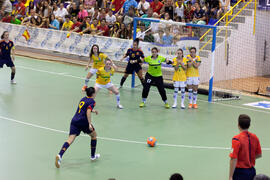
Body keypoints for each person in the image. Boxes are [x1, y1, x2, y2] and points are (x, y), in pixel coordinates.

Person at [55, 87, 100, 168]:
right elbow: (88, 111)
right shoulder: (92, 101)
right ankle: (93, 156)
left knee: (70, 140)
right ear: (93, 94)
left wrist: (94, 111)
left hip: (74, 121)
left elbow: (83, 108)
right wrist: (89, 124)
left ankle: (60, 155)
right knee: (94, 136)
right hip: (83, 122)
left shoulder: (83, 99)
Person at [229, 114, 262, 180]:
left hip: (240, 173)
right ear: (249, 125)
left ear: (238, 125)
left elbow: (233, 158)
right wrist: (248, 158)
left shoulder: (236, 139)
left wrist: (230, 177)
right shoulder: (255, 137)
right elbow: (259, 154)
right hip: (252, 172)